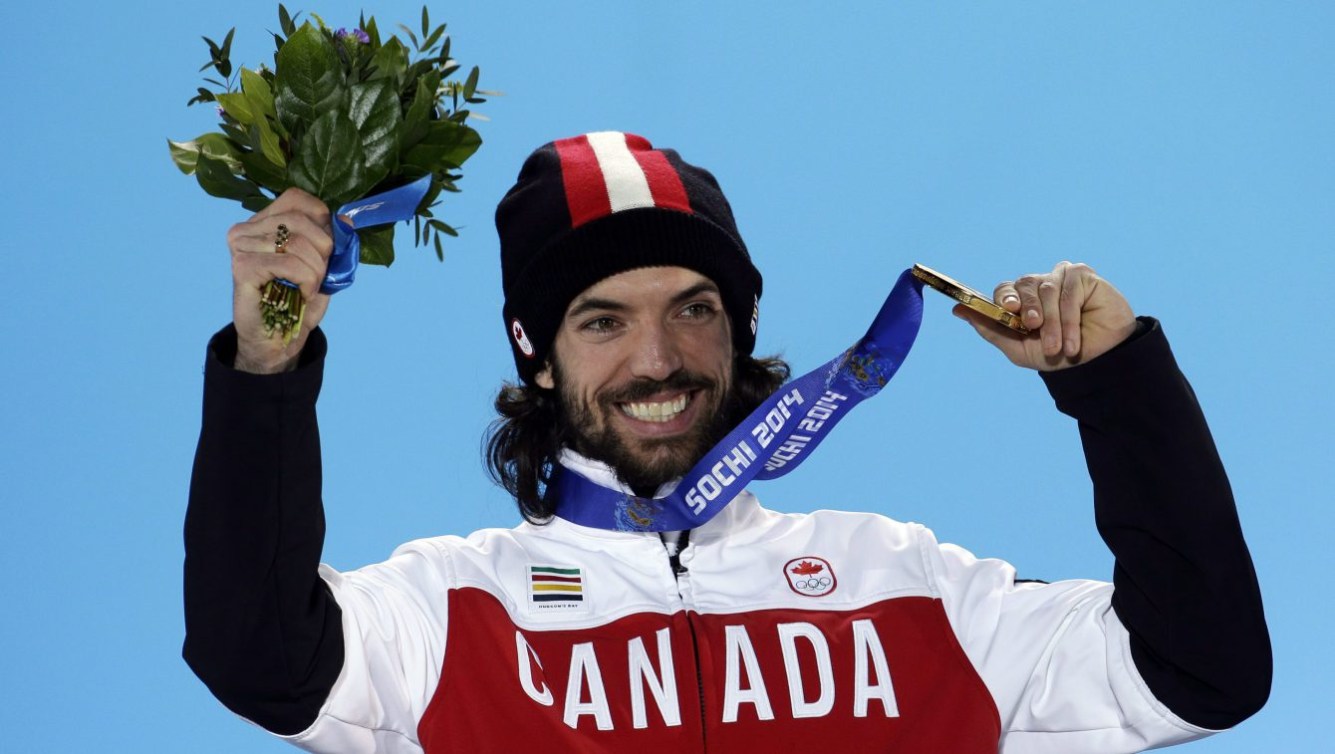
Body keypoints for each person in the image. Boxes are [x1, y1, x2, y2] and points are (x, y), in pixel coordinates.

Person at [184, 131, 1271, 753]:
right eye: (602, 321)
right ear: (538, 355)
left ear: (743, 328)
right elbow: (259, 657)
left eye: (693, 307)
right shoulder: (447, 612)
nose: (658, 358)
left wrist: (1119, 385)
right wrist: (269, 351)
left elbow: (1199, 671)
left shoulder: (909, 591)